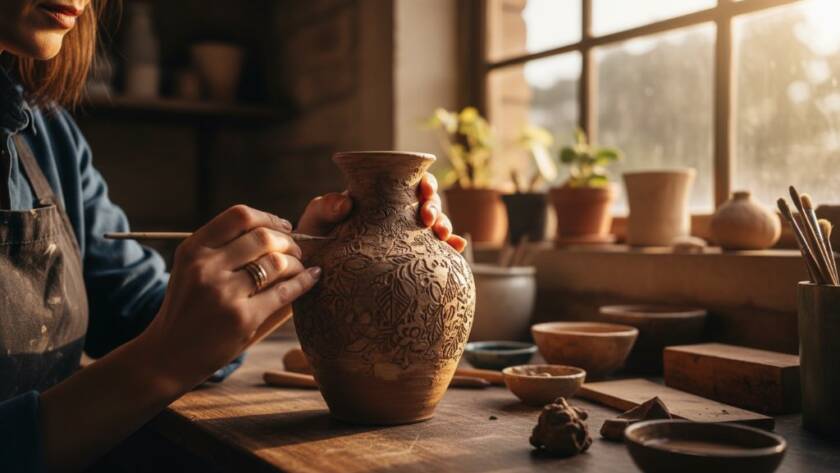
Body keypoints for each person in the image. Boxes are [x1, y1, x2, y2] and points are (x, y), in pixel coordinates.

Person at [0, 1, 467, 471]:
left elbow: (159, 319)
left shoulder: (48, 134)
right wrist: (164, 360)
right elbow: (171, 347)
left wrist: (304, 261)